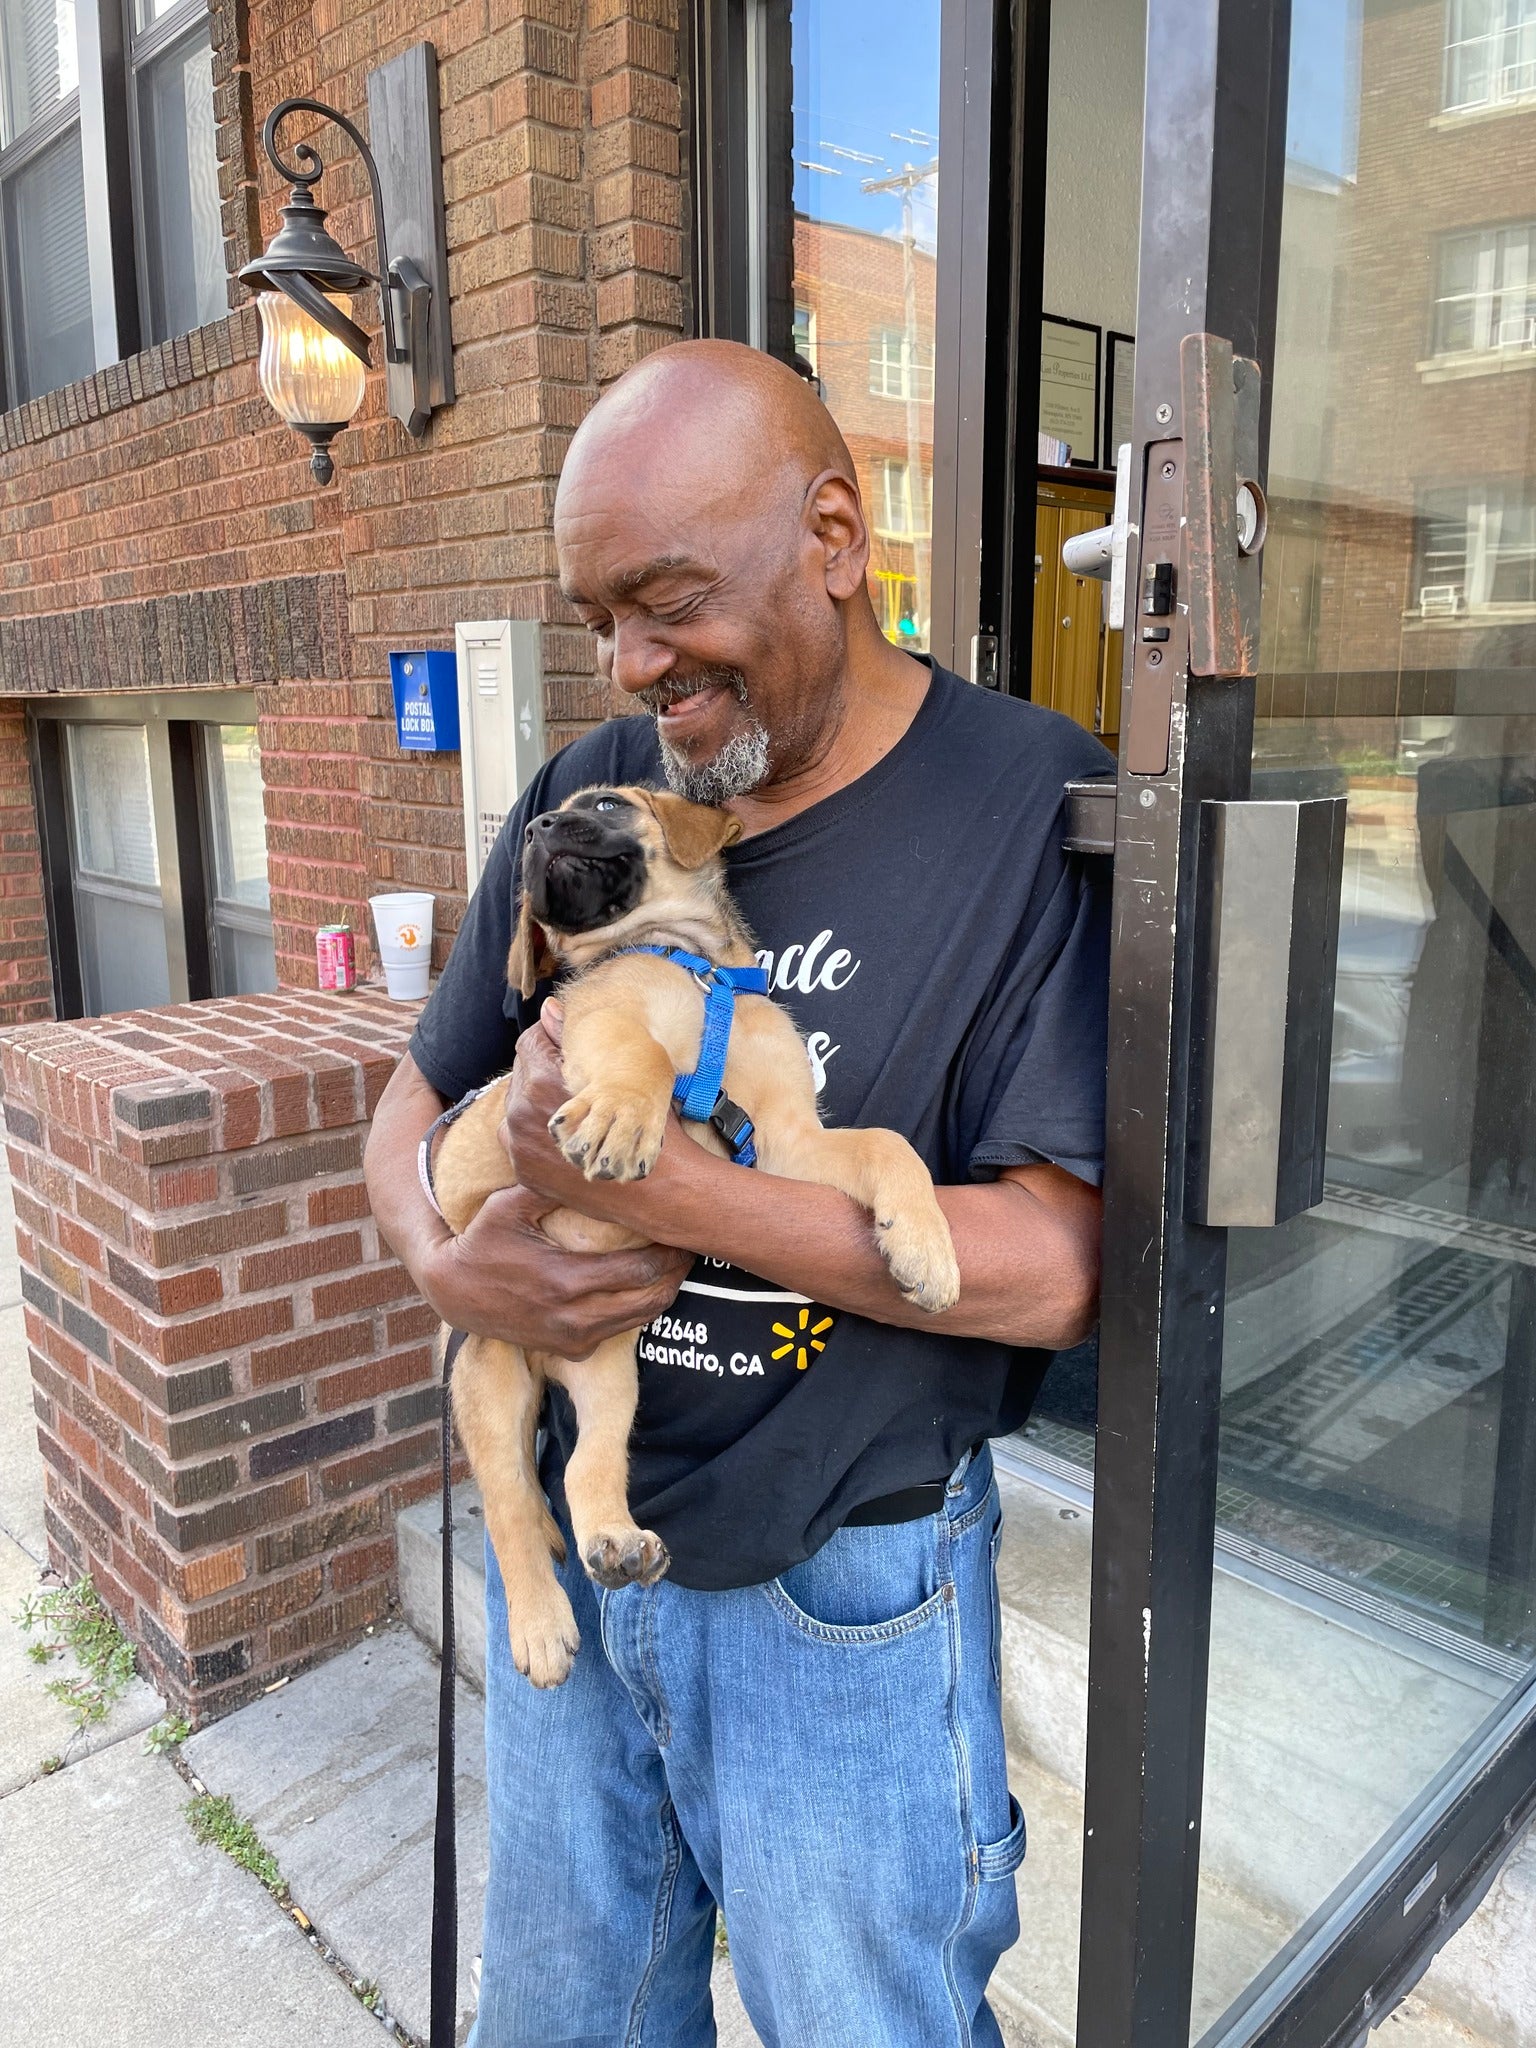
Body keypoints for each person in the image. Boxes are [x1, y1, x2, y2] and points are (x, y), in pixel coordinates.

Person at [365, 338, 1111, 2048]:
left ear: (836, 537)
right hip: (568, 1528)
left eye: (669, 601)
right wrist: (445, 1259)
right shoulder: (589, 796)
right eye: (598, 619)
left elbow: (1055, 1266)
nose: (632, 663)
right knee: (563, 2022)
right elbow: (412, 1095)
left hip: (839, 1591)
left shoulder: (1025, 803)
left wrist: (679, 1193)